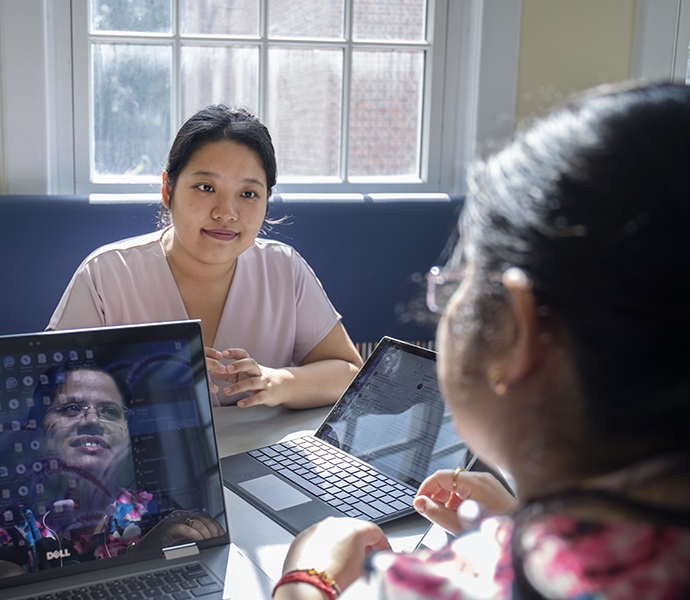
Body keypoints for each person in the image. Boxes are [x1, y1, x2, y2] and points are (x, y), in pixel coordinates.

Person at [272, 80, 690, 599]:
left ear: (520, 328)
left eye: (452, 287)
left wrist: (306, 577)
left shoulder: (457, 582)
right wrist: (522, 521)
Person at [47, 104, 363, 408]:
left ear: (267, 199)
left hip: (267, 456)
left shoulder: (285, 269)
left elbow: (349, 372)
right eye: (205, 187)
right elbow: (49, 387)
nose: (226, 213)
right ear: (168, 190)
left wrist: (278, 382)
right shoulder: (107, 274)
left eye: (248, 194)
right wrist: (141, 376)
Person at [0, 364, 223, 582]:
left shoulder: (152, 507)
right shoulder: (6, 531)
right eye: (71, 409)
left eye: (110, 411)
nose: (92, 421)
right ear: (37, 430)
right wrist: (139, 556)